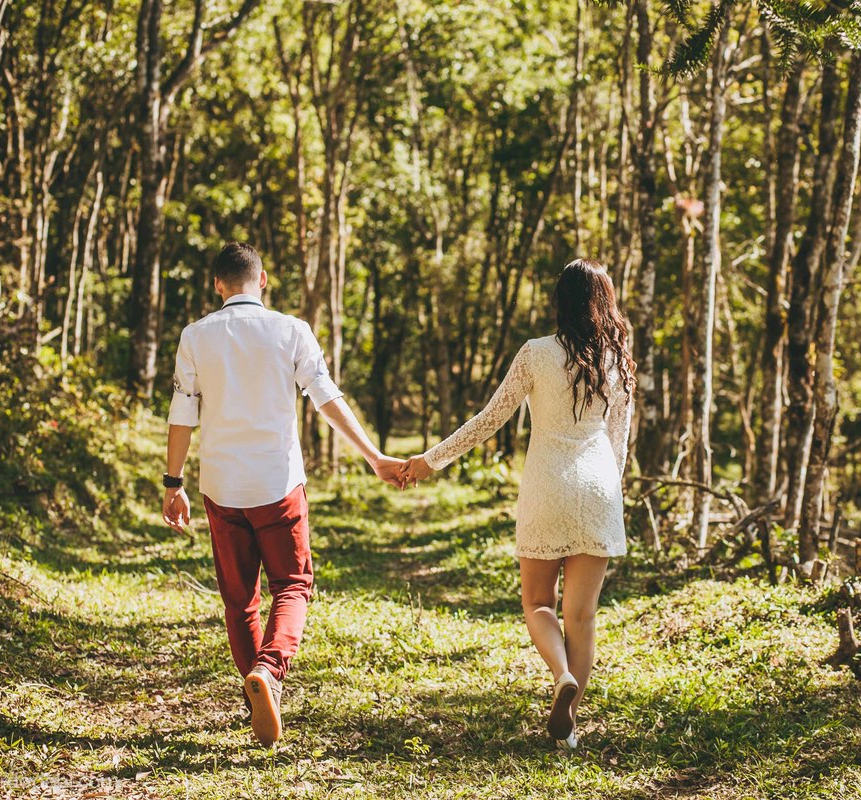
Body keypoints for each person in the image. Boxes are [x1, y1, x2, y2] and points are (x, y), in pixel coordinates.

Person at [161, 242, 406, 748]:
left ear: (217, 285)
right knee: (293, 584)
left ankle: (255, 689)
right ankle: (269, 673)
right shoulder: (291, 330)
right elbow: (326, 398)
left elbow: (182, 413)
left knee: (239, 600)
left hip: (221, 488)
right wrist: (373, 456)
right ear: (264, 279)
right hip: (277, 486)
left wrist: (173, 482)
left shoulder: (195, 336)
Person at [400, 259, 635, 750]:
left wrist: (431, 460)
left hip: (547, 485)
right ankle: (568, 732)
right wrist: (613, 494)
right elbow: (620, 441)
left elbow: (490, 420)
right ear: (605, 302)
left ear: (560, 302)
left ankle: (560, 676)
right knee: (583, 616)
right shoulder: (617, 360)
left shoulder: (535, 354)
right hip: (598, 486)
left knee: (536, 603)